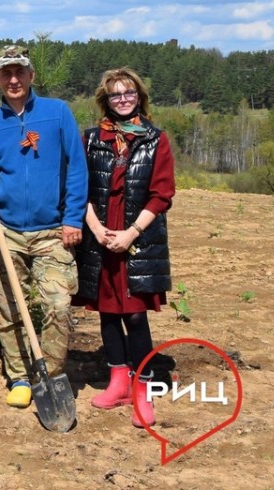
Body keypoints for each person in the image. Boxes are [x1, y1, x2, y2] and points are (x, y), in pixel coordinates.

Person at [0, 45, 86, 409]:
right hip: (7, 234)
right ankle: (18, 375)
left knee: (59, 305)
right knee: (9, 308)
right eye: (6, 74)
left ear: (31, 75)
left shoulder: (57, 113)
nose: (14, 79)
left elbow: (76, 168)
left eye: (20, 72)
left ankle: (49, 373)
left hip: (53, 231)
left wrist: (72, 219)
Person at [75, 68, 175, 428]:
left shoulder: (154, 139)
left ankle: (143, 389)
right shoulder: (90, 139)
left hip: (138, 237)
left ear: (138, 95)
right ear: (106, 99)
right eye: (115, 94)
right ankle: (118, 381)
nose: (122, 99)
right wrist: (98, 229)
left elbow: (162, 194)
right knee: (106, 310)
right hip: (99, 236)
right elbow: (78, 188)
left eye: (128, 92)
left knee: (134, 314)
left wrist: (131, 233)